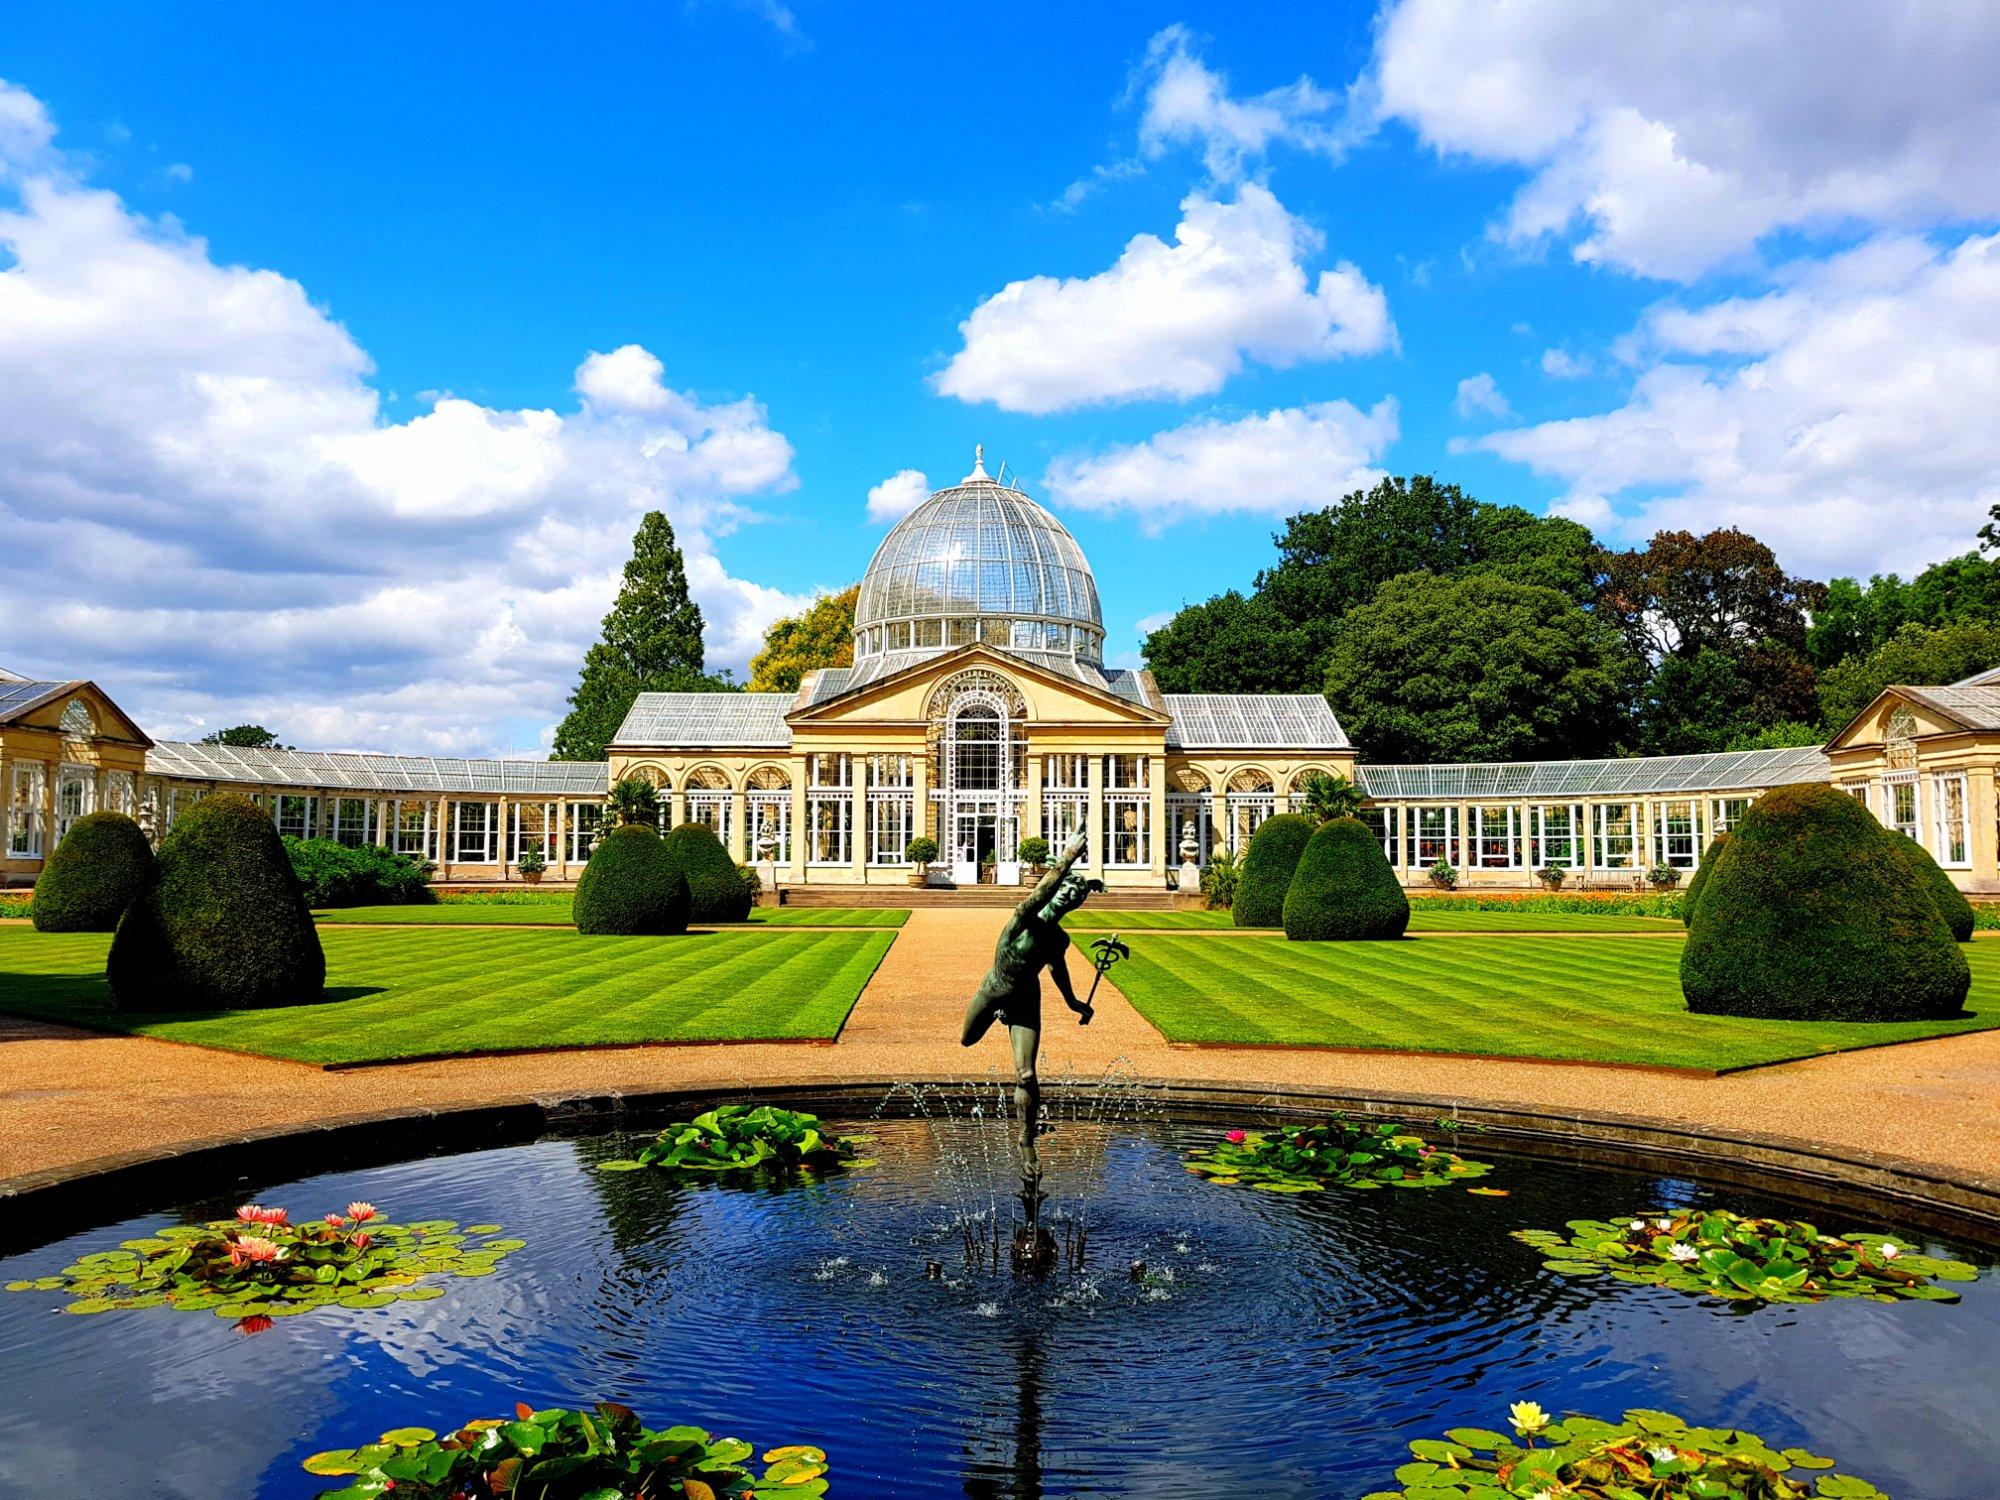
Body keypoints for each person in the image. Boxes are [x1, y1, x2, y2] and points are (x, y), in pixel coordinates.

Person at [960, 829, 1101, 1169]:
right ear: (1057, 889)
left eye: (1078, 897)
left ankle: (1026, 1140)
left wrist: (1073, 1002)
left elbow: (1057, 969)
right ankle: (998, 1015)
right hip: (994, 990)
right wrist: (1068, 857)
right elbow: (1042, 891)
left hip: (1026, 998)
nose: (1072, 898)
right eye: (1068, 890)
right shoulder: (1025, 917)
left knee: (1025, 1074)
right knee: (967, 1039)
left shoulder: (1059, 940)